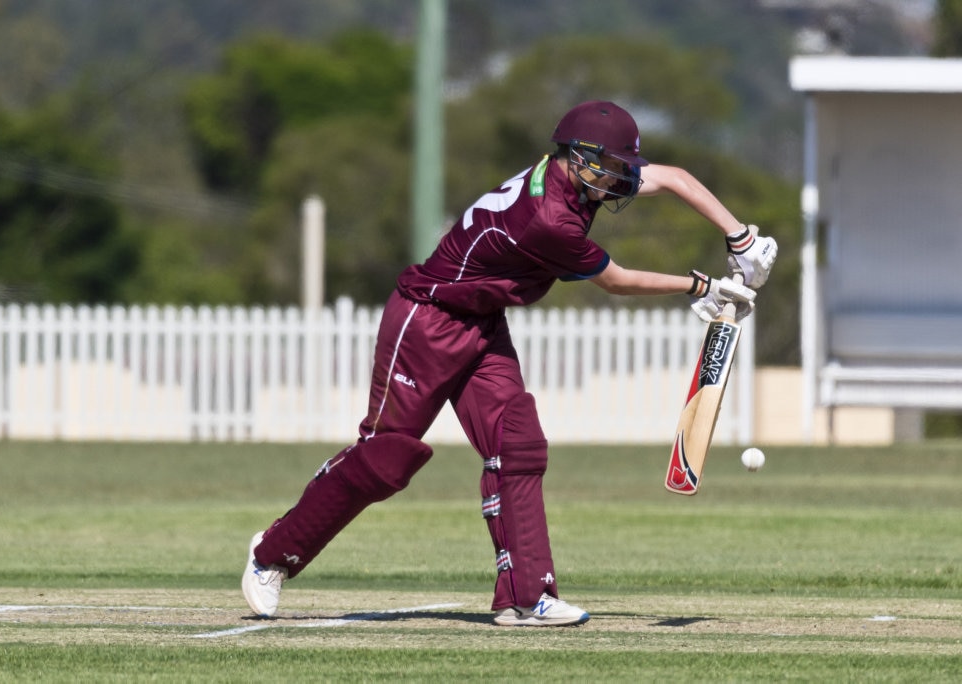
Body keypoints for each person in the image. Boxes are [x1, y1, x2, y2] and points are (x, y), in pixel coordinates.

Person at [241, 100, 777, 627]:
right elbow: (614, 282)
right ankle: (272, 553)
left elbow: (677, 177)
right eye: (610, 167)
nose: (619, 181)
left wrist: (741, 237)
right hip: (426, 320)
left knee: (518, 444)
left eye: (622, 168)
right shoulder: (546, 218)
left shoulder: (579, 177)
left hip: (482, 322)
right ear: (578, 156)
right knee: (385, 459)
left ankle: (527, 599)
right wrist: (699, 286)